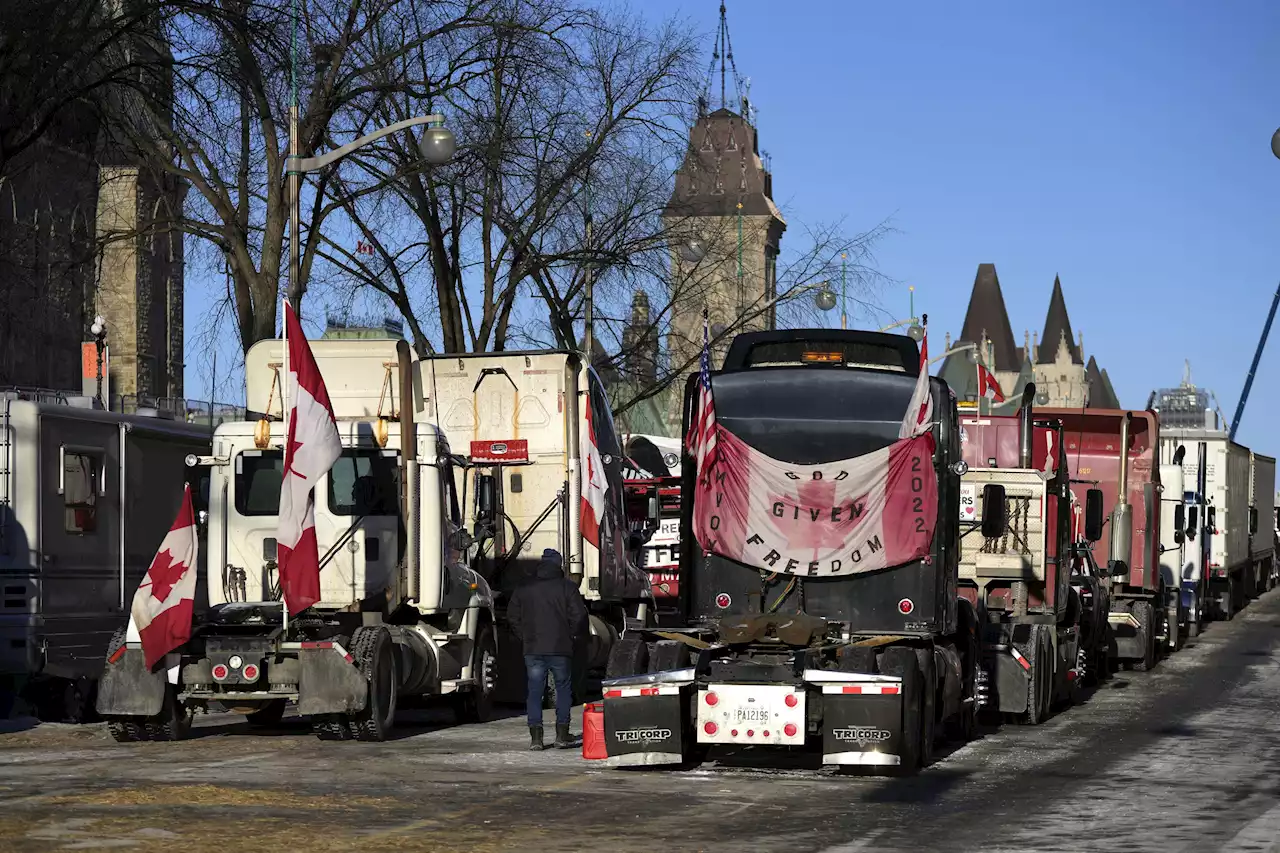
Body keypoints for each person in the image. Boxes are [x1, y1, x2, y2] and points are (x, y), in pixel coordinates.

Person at [507, 548, 587, 750]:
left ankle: (536, 738)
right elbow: (579, 616)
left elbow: (512, 616)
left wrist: (524, 636)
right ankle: (561, 735)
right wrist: (572, 636)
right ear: (558, 565)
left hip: (533, 648)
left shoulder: (524, 587)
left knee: (534, 692)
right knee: (563, 690)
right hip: (561, 648)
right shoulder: (567, 588)